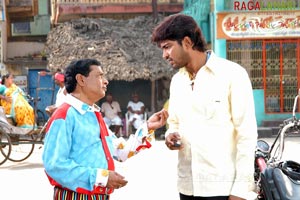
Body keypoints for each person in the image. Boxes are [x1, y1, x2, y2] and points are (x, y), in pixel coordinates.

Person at [151, 14, 258, 200]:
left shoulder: (232, 75)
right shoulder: (178, 81)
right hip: (187, 187)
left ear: (186, 42)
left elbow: (246, 135)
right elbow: (174, 122)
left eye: (167, 47)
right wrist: (170, 136)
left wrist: (240, 190)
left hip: (221, 189)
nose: (164, 55)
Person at [42, 58, 168, 200]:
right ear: (81, 80)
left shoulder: (93, 114)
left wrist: (147, 127)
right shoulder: (65, 115)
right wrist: (102, 178)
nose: (106, 81)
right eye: (99, 76)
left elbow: (120, 150)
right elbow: (54, 165)